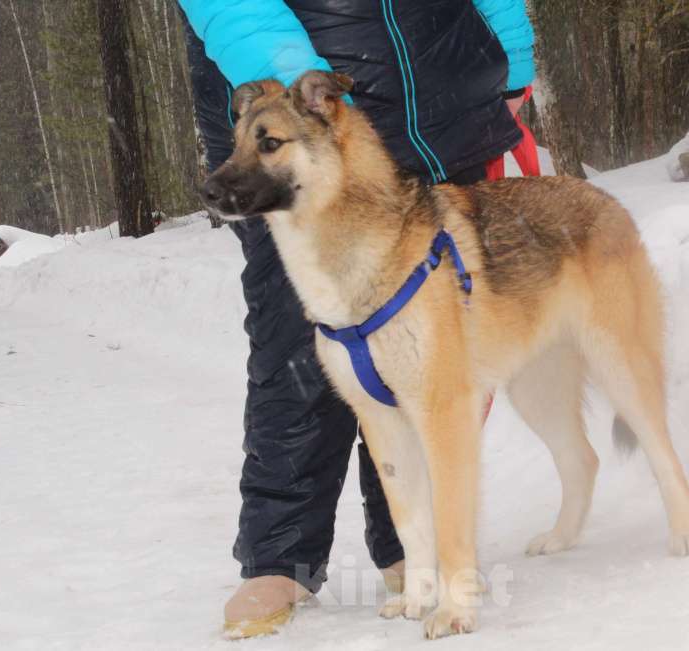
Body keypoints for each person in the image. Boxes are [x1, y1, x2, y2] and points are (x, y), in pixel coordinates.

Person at [177, 0, 535, 638]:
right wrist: (297, 92)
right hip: (308, 107)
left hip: (442, 95)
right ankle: (281, 555)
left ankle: (413, 546)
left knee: (430, 354)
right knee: (300, 339)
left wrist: (509, 58)